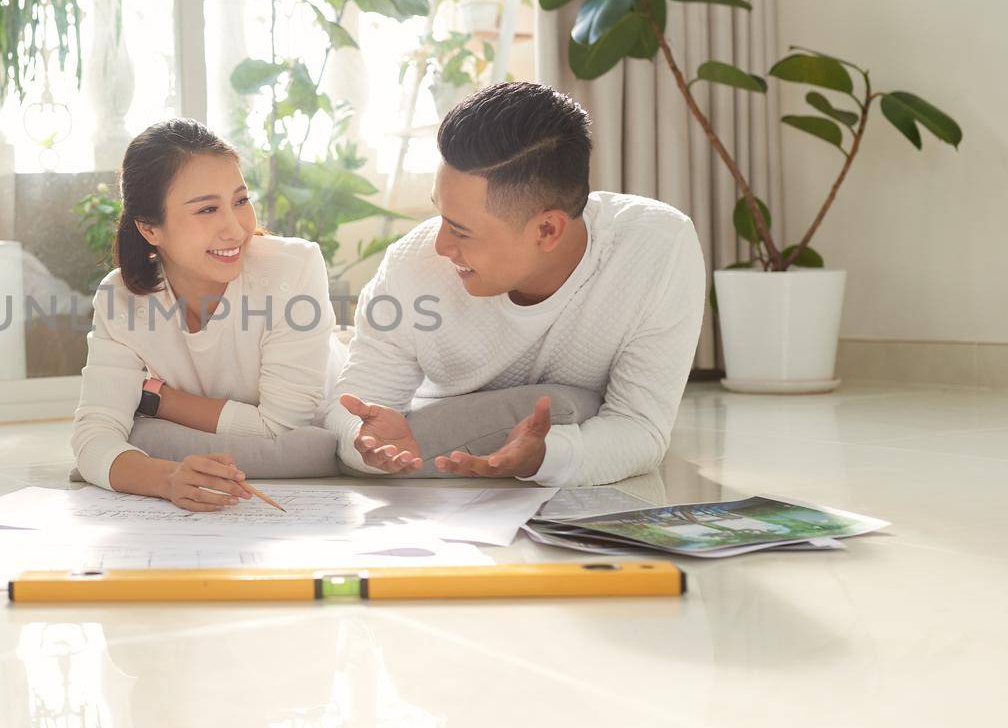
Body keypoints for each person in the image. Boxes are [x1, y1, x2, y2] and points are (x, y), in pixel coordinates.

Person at [326, 81, 706, 487]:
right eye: (440, 216)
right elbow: (353, 411)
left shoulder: (656, 249)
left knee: (576, 407)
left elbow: (640, 428)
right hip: (438, 428)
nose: (440, 245)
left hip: (553, 443)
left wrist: (544, 458)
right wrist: (362, 439)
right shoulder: (411, 265)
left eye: (460, 230)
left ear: (547, 229)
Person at [72, 118, 337, 510]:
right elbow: (93, 435)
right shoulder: (120, 298)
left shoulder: (293, 267)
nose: (235, 228)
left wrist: (157, 400)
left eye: (241, 201)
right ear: (150, 229)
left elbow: (283, 430)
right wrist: (167, 478)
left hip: (330, 384)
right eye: (207, 209)